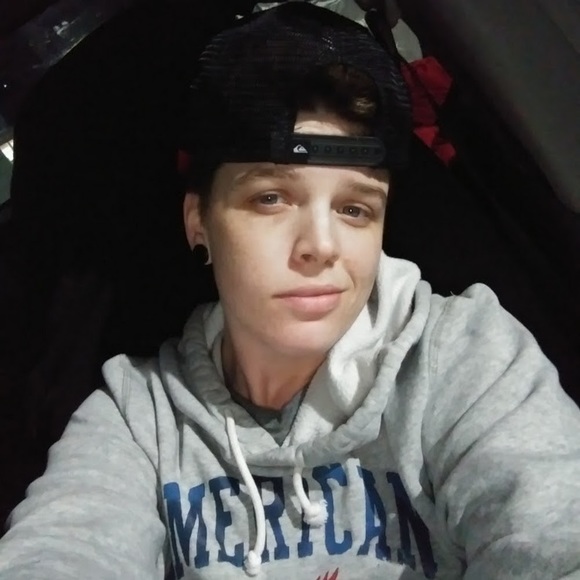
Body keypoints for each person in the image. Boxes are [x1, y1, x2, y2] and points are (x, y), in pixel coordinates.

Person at [1, 3, 580, 579]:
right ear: (198, 222)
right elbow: (64, 548)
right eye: (271, 198)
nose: (321, 246)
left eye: (354, 209)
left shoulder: (463, 355)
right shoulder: (137, 415)